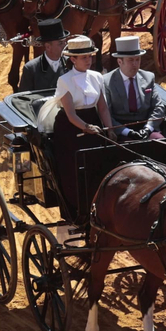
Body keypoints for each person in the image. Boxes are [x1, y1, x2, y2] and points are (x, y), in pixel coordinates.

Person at [42, 34, 112, 220]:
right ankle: (77, 209)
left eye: (90, 56)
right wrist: (86, 127)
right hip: (70, 129)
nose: (88, 60)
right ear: (72, 59)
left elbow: (103, 107)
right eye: (84, 57)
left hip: (92, 122)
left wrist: (110, 129)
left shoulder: (97, 77)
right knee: (79, 163)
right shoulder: (65, 80)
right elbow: (71, 114)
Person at [101, 35, 166, 140]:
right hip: (121, 131)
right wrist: (127, 132)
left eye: (137, 60)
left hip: (146, 127)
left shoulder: (148, 77)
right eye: (130, 60)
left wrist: (148, 128)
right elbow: (106, 113)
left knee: (161, 142)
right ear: (120, 62)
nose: (135, 64)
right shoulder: (107, 82)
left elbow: (158, 107)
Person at [18, 19, 69, 94]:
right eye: (60, 43)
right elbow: (23, 99)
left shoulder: (70, 64)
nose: (65, 46)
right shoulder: (31, 68)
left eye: (65, 42)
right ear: (48, 47)